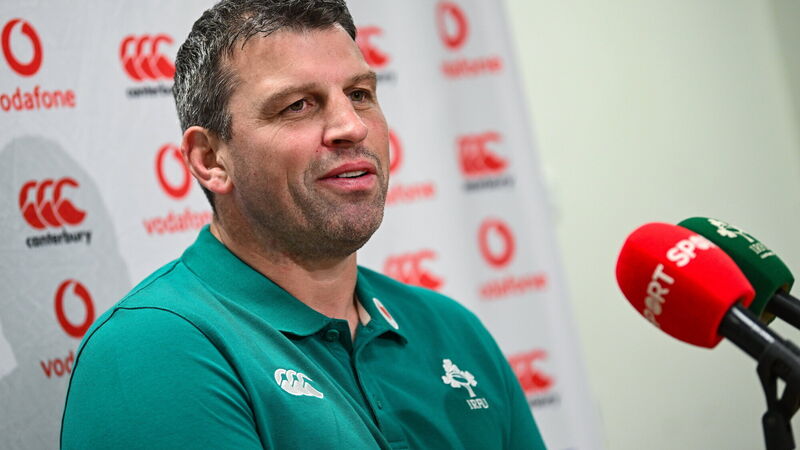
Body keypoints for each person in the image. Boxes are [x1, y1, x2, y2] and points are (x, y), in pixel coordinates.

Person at [60, 1, 547, 448]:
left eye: (359, 94)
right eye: (298, 105)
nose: (352, 126)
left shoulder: (452, 329)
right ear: (210, 159)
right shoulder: (154, 348)